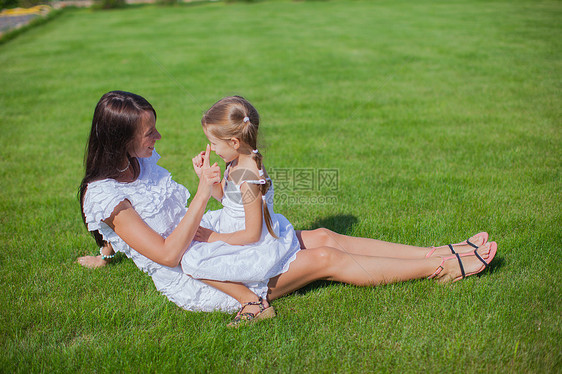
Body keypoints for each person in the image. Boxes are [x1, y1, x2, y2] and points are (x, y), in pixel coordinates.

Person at [78, 91, 497, 326]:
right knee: (326, 258)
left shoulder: (138, 162)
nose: (159, 137)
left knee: (325, 236)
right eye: (149, 132)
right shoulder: (104, 194)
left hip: (204, 238)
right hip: (197, 271)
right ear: (120, 139)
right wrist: (205, 192)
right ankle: (440, 269)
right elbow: (165, 254)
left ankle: (438, 251)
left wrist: (105, 254)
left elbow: (120, 231)